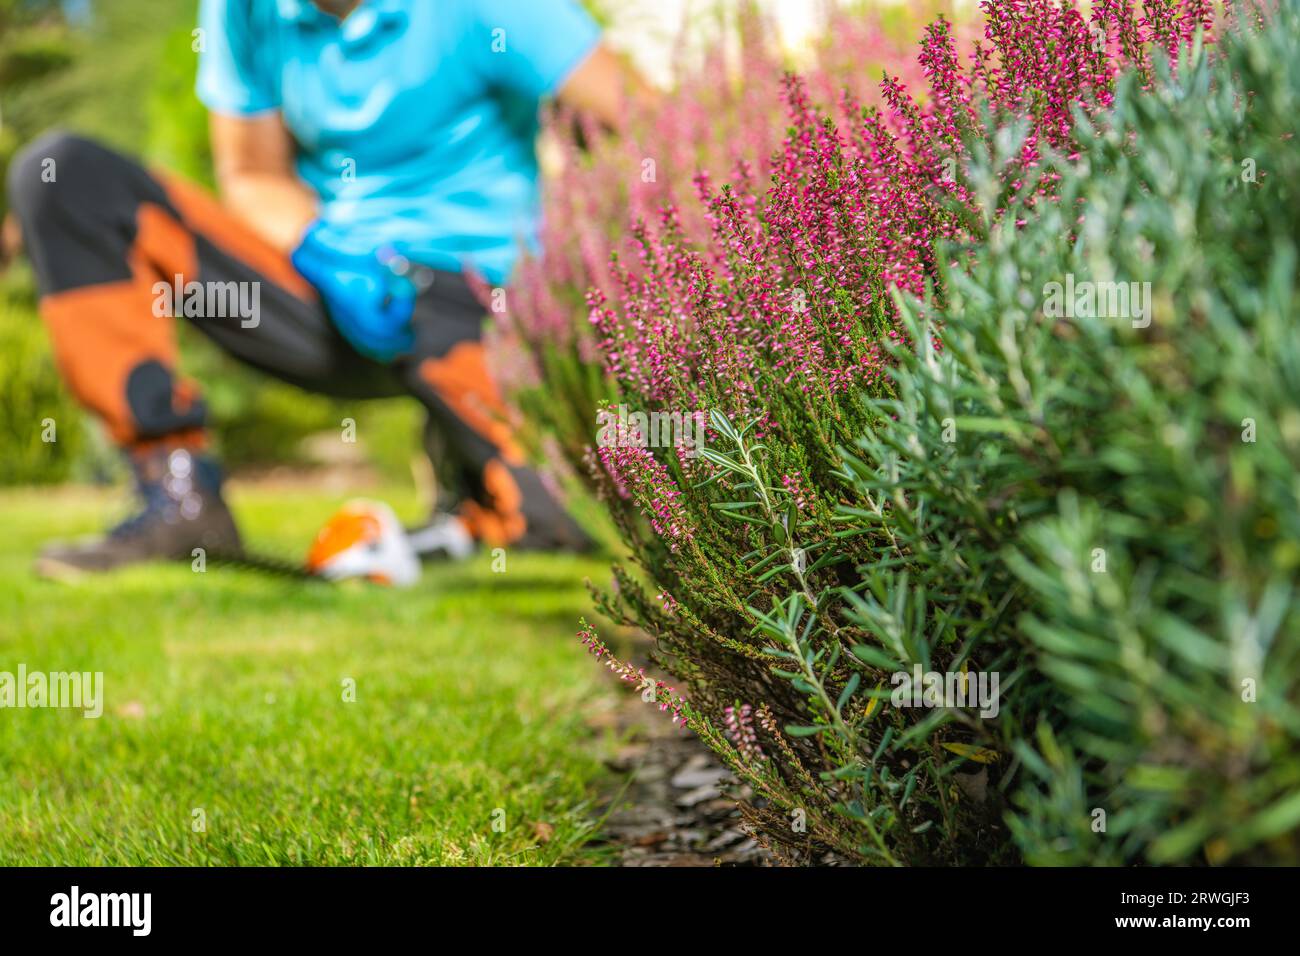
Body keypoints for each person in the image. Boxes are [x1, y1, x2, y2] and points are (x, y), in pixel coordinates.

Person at [4, 0, 642, 577]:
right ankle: (180, 499)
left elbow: (647, 125)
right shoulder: (246, 10)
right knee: (61, 176)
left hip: (479, 305)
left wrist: (590, 278)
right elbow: (251, 173)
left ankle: (490, 486)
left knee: (551, 518)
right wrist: (324, 248)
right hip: (327, 294)